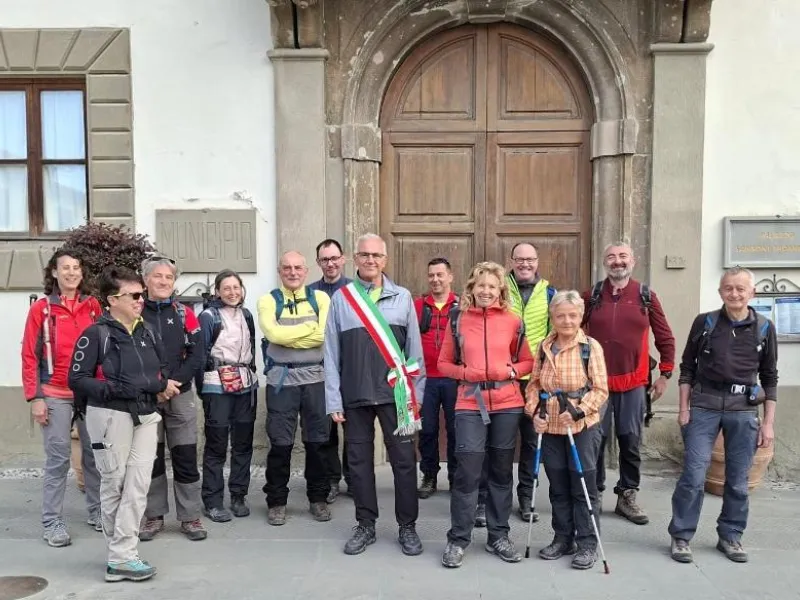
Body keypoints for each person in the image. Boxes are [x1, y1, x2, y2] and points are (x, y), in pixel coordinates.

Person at [69, 265, 179, 582]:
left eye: (140, 294)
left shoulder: (146, 332)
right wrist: (115, 390)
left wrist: (160, 386)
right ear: (111, 299)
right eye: (133, 295)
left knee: (138, 485)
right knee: (114, 483)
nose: (140, 300)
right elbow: (76, 379)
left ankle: (123, 556)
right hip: (110, 416)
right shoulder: (96, 334)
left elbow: (157, 371)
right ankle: (120, 556)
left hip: (145, 416)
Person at [324, 233, 425, 556]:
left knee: (405, 462)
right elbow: (331, 351)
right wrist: (333, 399)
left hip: (396, 395)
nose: (370, 260)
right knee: (358, 463)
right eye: (364, 255)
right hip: (354, 394)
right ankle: (365, 524)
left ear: (385, 259)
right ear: (355, 259)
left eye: (376, 255)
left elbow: (415, 352)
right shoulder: (343, 298)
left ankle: (407, 526)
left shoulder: (403, 297)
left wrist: (416, 394)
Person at [668, 267, 778, 564]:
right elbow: (687, 367)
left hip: (743, 410)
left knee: (738, 480)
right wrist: (683, 408)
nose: (735, 293)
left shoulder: (765, 328)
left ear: (752, 293)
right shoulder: (705, 323)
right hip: (703, 406)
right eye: (729, 288)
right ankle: (681, 535)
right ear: (720, 292)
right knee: (693, 474)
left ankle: (730, 536)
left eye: (741, 288)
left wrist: (767, 423)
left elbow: (770, 378)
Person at [438, 261, 535, 569]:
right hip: (469, 402)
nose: (486, 291)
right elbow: (443, 364)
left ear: (500, 290)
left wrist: (510, 370)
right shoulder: (458, 320)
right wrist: (466, 372)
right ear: (471, 287)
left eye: (492, 286)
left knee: (501, 472)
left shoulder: (513, 321)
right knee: (467, 472)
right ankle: (458, 539)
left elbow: (528, 362)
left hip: (507, 403)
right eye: (481, 285)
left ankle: (498, 536)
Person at [582, 242, 675, 525]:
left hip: (634, 382)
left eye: (622, 256)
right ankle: (593, 494)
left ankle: (627, 495)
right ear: (604, 262)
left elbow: (665, 337)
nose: (617, 261)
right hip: (597, 384)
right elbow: (571, 329)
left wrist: (665, 374)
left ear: (632, 261)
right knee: (593, 441)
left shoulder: (646, 296)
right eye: (611, 257)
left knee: (630, 441)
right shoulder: (593, 295)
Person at [21, 248, 102, 548]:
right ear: (54, 273)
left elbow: (104, 352)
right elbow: (29, 355)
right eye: (65, 267)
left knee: (95, 457)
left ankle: (97, 512)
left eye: (76, 267)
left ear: (82, 273)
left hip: (89, 394)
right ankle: (52, 521)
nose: (71, 272)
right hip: (54, 393)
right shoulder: (41, 310)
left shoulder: (93, 307)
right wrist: (35, 397)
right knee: (58, 460)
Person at [526, 290, 609, 570]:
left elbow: (600, 389)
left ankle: (587, 543)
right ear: (552, 317)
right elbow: (535, 384)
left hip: (581, 425)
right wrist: (533, 410)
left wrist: (578, 411)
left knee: (582, 486)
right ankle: (563, 538)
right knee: (558, 486)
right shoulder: (544, 346)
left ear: (581, 316)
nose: (567, 321)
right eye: (560, 315)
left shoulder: (590, 347)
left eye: (572, 315)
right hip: (550, 426)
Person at [259, 251, 332, 525]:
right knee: (280, 444)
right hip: (282, 381)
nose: (292, 272)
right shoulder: (268, 300)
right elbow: (273, 335)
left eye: (298, 268)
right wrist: (308, 333)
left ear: (306, 271)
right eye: (287, 268)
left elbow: (324, 335)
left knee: (318, 444)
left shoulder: (321, 298)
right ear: (280, 271)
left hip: (316, 380)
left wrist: (288, 340)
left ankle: (318, 499)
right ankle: (276, 502)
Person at [138, 256, 207, 542]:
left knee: (186, 456)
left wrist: (172, 384)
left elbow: (198, 354)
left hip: (180, 394)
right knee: (150, 460)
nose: (164, 281)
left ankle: (190, 517)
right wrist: (157, 385)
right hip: (147, 395)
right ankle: (153, 516)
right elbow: (132, 356)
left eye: (168, 277)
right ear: (145, 281)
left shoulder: (184, 313)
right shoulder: (135, 312)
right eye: (158, 276)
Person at [197, 270, 259, 523]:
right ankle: (212, 501)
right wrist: (202, 390)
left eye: (236, 287)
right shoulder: (208, 317)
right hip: (217, 385)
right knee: (216, 445)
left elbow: (252, 347)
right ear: (217, 291)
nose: (232, 293)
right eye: (227, 288)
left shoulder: (246, 314)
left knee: (243, 444)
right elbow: (200, 355)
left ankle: (238, 495)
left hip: (245, 384)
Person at [308, 239, 352, 502]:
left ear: (343, 259)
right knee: (326, 431)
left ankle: (354, 478)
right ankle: (331, 479)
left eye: (334, 258)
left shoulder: (355, 290)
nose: (331, 263)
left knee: (356, 430)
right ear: (318, 263)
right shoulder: (309, 292)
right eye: (325, 259)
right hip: (320, 371)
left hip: (352, 370)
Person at [415, 257, 459, 499]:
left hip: (454, 378)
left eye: (440, 274)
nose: (435, 279)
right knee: (428, 430)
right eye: (431, 275)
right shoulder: (419, 306)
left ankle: (455, 476)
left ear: (450, 276)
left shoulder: (462, 305)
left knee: (456, 430)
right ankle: (429, 475)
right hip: (426, 380)